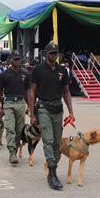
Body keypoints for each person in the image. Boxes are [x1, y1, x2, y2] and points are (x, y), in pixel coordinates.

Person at [29, 41, 74, 190]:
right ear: (45, 54)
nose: (54, 55)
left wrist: (71, 111)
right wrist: (32, 113)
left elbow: (66, 91)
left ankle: (51, 167)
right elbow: (32, 92)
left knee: (56, 142)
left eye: (56, 53)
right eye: (51, 53)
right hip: (44, 108)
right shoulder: (38, 70)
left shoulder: (62, 70)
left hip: (57, 108)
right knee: (48, 140)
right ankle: (53, 175)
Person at [0, 50, 30, 164]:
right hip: (8, 103)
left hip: (20, 103)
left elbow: (28, 91)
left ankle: (16, 146)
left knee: (19, 129)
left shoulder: (25, 74)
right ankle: (12, 152)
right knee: (10, 128)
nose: (17, 61)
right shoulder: (4, 74)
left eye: (18, 59)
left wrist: (30, 105)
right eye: (15, 59)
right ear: (11, 60)